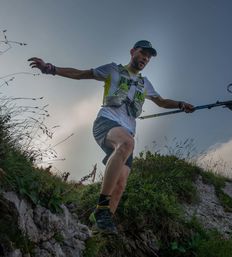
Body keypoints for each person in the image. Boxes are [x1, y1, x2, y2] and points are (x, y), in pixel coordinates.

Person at [28, 40, 194, 235]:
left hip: (127, 131)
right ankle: (102, 206)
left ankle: (97, 231)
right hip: (106, 123)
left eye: (149, 57)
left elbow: (162, 102)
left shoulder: (145, 83)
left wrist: (181, 104)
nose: (145, 58)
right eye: (143, 53)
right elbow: (82, 74)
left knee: (121, 184)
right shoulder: (113, 70)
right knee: (126, 143)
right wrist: (51, 68)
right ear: (133, 52)